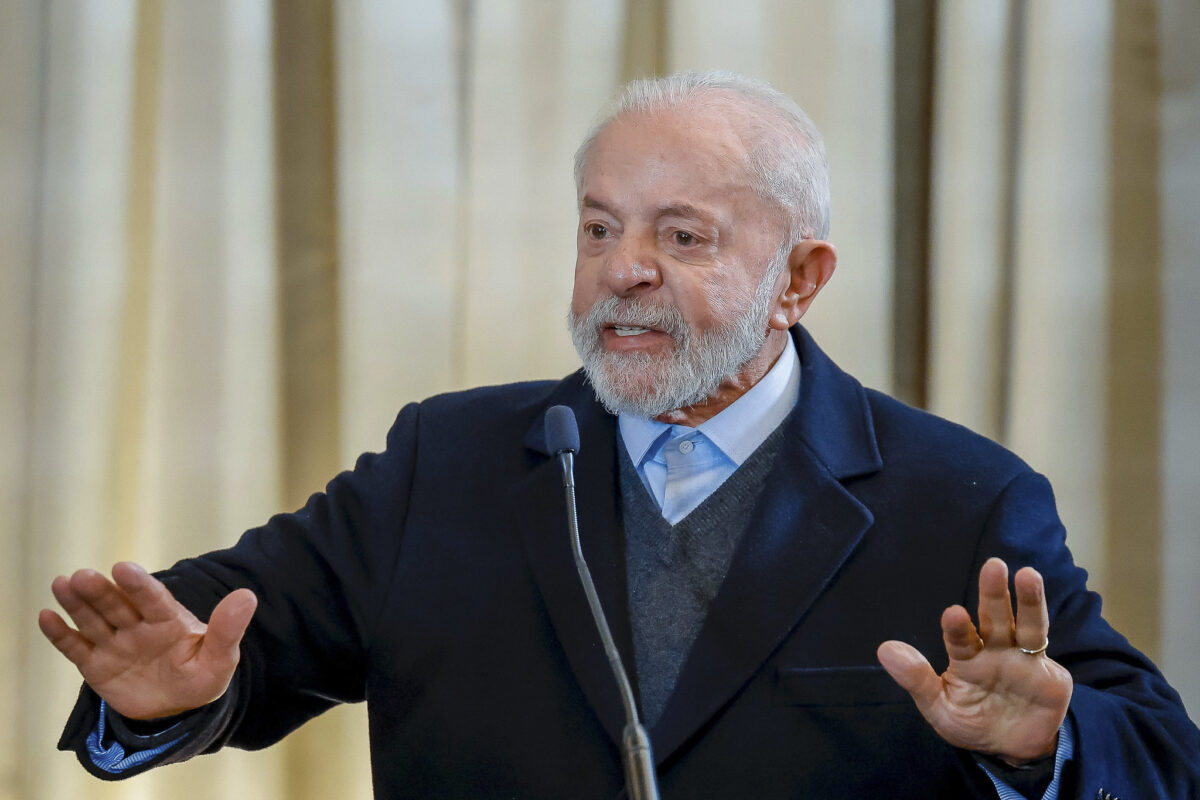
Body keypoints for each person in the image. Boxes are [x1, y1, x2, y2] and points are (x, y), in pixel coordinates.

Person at [41, 71, 1199, 799]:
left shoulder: (961, 498)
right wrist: (159, 693)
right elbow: (224, 639)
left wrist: (1045, 744)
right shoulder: (447, 462)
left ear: (799, 279)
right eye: (600, 228)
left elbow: (1160, 756)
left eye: (682, 236)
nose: (624, 268)